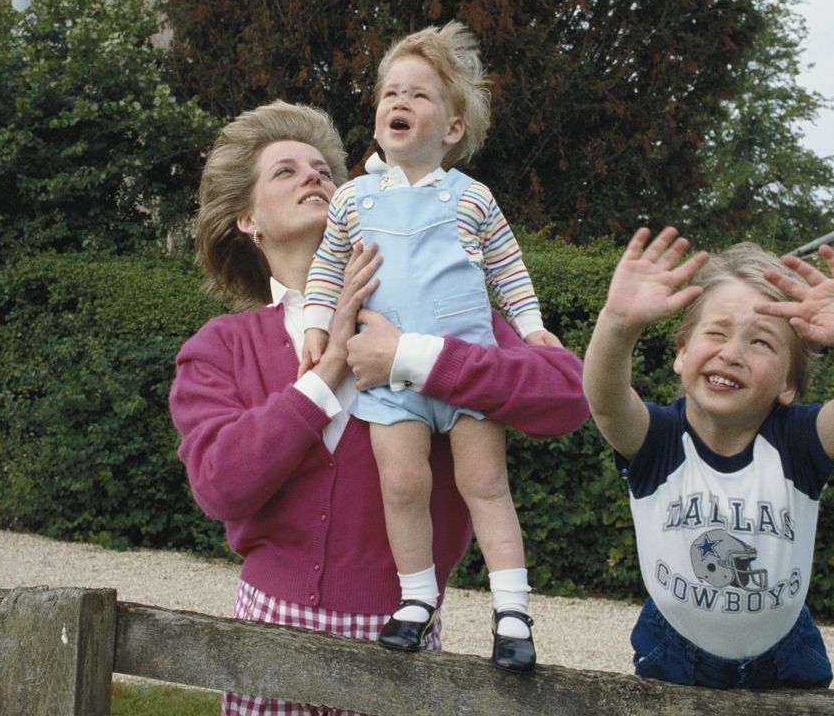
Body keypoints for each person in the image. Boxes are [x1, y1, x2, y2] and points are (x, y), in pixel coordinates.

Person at [169, 100, 588, 714]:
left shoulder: (449, 316)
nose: (314, 176)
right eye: (284, 171)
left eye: (323, 169)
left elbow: (567, 397)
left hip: (402, 651)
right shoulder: (220, 347)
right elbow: (221, 487)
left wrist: (414, 358)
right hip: (266, 640)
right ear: (247, 220)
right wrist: (331, 363)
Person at [297, 22, 557, 673]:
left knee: (484, 483)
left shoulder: (472, 198)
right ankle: (416, 601)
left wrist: (529, 328)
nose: (398, 103)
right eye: (389, 93)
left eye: (418, 95)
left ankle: (513, 610)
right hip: (390, 384)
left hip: (467, 375)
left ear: (451, 129)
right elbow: (328, 269)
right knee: (404, 484)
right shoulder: (353, 198)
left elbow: (508, 269)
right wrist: (318, 329)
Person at [582, 227, 834, 689]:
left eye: (761, 343)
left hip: (785, 652)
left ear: (789, 385)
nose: (731, 353)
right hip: (674, 648)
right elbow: (606, 401)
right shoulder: (658, 440)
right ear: (682, 355)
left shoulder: (799, 443)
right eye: (715, 332)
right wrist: (617, 323)